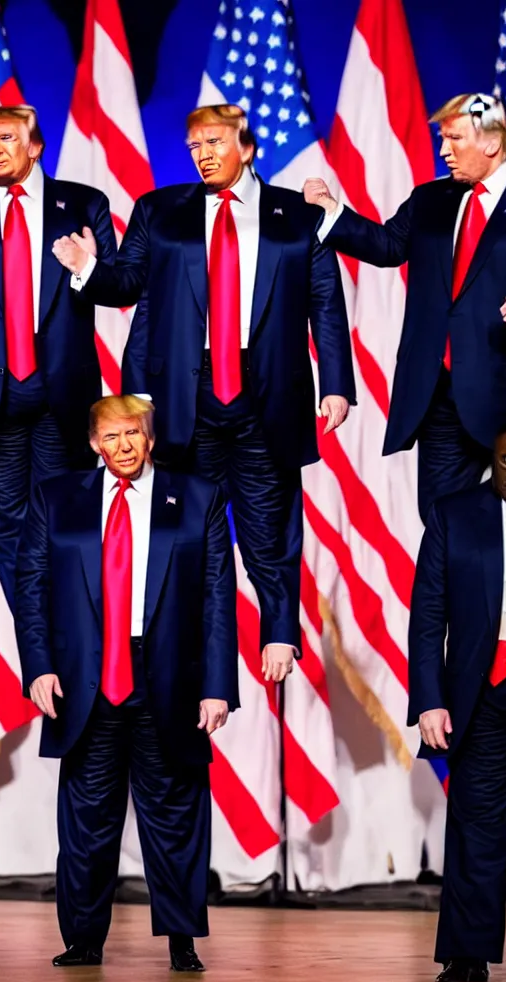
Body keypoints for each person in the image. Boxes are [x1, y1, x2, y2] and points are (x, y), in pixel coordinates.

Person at [53, 103, 354, 684]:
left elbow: (325, 301)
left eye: (214, 141)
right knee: (184, 530)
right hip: (182, 402)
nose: (202, 154)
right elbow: (127, 284)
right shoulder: (161, 211)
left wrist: (337, 384)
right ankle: (179, 648)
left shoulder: (296, 214)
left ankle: (280, 633)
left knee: (270, 528)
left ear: (246, 145)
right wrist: (88, 268)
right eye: (194, 146)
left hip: (264, 398)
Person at [14, 394, 237, 970]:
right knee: (87, 820)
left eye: (132, 434)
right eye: (110, 437)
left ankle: (182, 941)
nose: (123, 447)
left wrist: (217, 687)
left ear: (150, 436)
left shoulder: (197, 499)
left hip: (167, 681)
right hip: (84, 682)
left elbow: (218, 601)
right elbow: (31, 591)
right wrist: (37, 666)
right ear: (93, 443)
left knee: (175, 816)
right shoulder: (56, 498)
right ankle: (83, 940)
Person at [0, 104, 115, 610]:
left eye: (6, 138)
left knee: (62, 522)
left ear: (35, 146)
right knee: (7, 530)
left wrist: (87, 266)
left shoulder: (83, 204)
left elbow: (122, 287)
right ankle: (39, 640)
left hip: (61, 395)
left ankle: (72, 630)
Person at [304, 93, 506, 523]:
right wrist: (332, 211)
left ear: (492, 142)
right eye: (443, 139)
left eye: (454, 138)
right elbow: (388, 246)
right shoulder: (431, 199)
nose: (443, 151)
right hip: (440, 394)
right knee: (442, 526)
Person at [409, 420, 506, 982]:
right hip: (485, 691)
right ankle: (467, 953)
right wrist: (430, 700)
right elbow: (428, 617)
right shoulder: (454, 514)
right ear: (492, 460)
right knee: (476, 825)